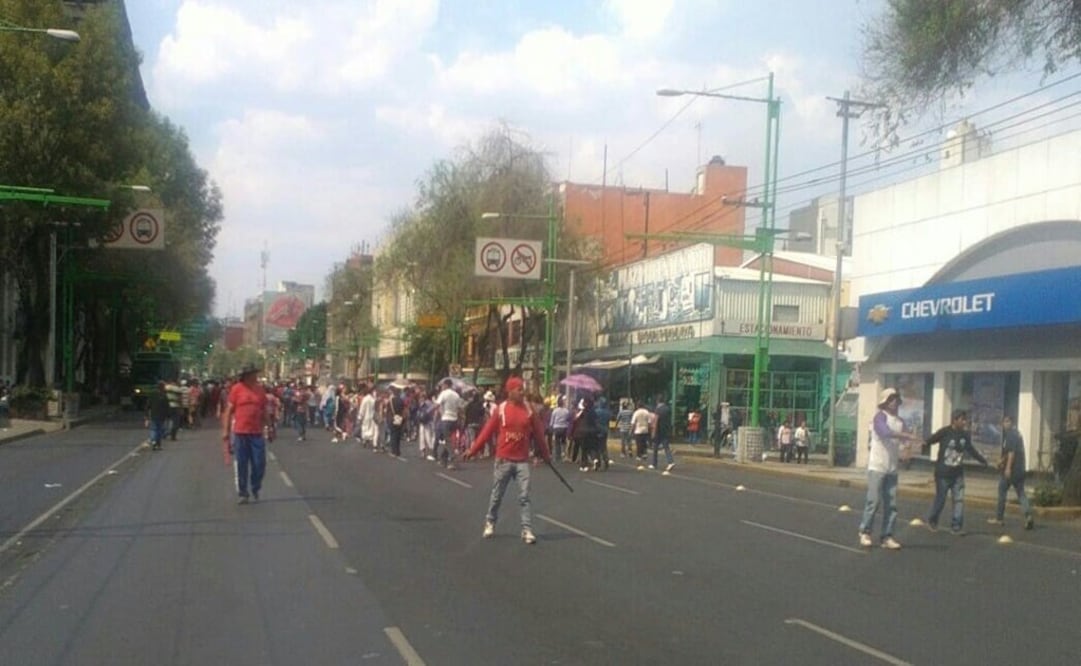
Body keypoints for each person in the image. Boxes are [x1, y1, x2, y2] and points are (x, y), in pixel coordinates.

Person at [464, 376, 551, 544]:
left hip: (522, 461)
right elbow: (487, 432)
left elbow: (539, 434)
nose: (522, 392)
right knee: (497, 495)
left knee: (524, 496)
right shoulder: (501, 409)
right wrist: (473, 450)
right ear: (510, 391)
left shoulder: (529, 409)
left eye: (522, 389)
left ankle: (526, 529)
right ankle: (490, 522)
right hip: (503, 460)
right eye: (519, 389)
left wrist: (546, 455)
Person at [858, 388, 920, 549]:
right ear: (885, 402)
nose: (894, 402)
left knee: (891, 504)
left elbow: (906, 440)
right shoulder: (880, 417)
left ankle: (887, 536)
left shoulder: (900, 421)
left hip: (892, 468)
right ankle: (865, 531)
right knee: (873, 501)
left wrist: (908, 449)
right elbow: (885, 432)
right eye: (891, 399)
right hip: (877, 466)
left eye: (896, 398)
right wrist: (906, 437)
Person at [924, 409, 988, 534]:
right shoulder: (945, 432)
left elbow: (970, 449)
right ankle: (933, 520)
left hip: (957, 474)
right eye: (962, 420)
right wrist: (915, 446)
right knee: (941, 499)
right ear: (955, 420)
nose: (965, 422)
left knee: (959, 500)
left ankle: (956, 526)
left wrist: (982, 460)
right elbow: (930, 441)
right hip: (943, 473)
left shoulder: (965, 435)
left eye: (966, 420)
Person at [221, 364, 270, 504]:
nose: (255, 376)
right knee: (242, 463)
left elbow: (264, 410)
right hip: (240, 432)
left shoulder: (260, 390)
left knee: (259, 463)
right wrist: (225, 431)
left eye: (255, 373)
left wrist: (270, 427)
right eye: (252, 374)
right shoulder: (236, 389)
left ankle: (255, 486)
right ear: (246, 376)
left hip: (256, 433)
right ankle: (243, 492)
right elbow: (229, 411)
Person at [989, 415, 1034, 530]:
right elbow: (1008, 452)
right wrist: (1001, 461)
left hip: (1013, 470)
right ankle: (1028, 515)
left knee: (1002, 490)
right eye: (1004, 422)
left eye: (1007, 421)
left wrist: (1008, 468)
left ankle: (999, 518)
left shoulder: (1011, 435)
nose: (1005, 424)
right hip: (1020, 470)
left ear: (1012, 423)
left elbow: (1012, 453)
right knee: (1021, 493)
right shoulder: (1016, 434)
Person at [434, 378, 463, 469]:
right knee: (448, 440)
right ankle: (443, 459)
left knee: (447, 441)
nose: (442, 387)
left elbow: (437, 405)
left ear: (446, 385)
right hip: (454, 419)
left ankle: (453, 460)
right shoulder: (456, 395)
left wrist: (434, 402)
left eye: (443, 385)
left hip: (446, 418)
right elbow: (460, 409)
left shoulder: (444, 393)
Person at [651, 395, 676, 474]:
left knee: (655, 447)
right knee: (666, 447)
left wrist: (653, 432)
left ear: (657, 401)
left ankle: (654, 463)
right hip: (666, 431)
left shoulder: (658, 410)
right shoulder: (668, 409)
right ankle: (670, 461)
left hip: (659, 431)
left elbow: (655, 421)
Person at [144, 380, 171, 451]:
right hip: (162, 416)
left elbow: (147, 406)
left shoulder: (152, 395)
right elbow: (167, 407)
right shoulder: (164, 396)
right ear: (163, 387)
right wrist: (168, 415)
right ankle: (157, 444)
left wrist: (146, 415)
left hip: (153, 415)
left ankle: (153, 441)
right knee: (159, 430)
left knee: (154, 429)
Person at [548, 396, 571, 462]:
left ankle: (558, 456)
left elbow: (552, 420)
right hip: (564, 427)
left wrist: (551, 426)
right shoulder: (566, 411)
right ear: (563, 403)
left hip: (557, 427)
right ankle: (564, 453)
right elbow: (568, 419)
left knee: (557, 442)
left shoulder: (555, 411)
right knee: (563, 442)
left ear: (558, 403)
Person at [631, 400, 653, 468]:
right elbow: (649, 422)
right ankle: (644, 454)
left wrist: (632, 430)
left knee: (638, 443)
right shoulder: (647, 412)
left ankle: (638, 456)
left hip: (638, 430)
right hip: (645, 430)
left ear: (637, 406)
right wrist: (649, 430)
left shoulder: (636, 413)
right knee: (644, 443)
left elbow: (633, 423)